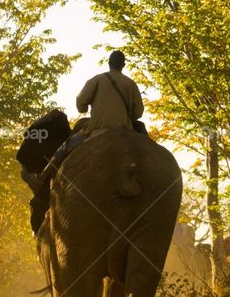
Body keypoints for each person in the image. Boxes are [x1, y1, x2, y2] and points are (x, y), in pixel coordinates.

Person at [25, 51, 145, 194]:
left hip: (95, 130)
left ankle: (42, 177)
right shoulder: (131, 84)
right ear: (123, 65)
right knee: (146, 146)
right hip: (125, 132)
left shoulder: (96, 80)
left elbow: (80, 105)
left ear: (109, 63)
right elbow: (138, 113)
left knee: (64, 147)